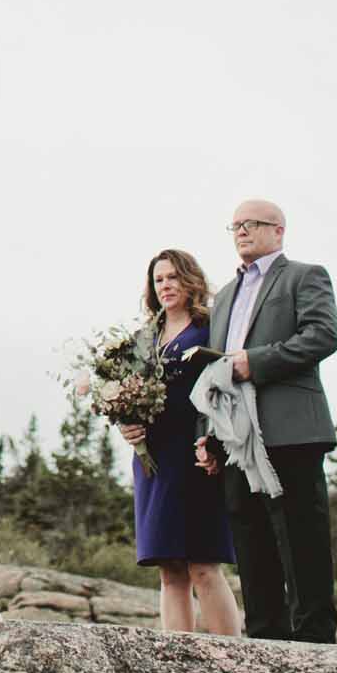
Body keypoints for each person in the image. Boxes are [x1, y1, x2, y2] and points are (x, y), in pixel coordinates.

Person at [194, 199, 337, 643]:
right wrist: (207, 436)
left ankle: (315, 640)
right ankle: (265, 640)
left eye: (251, 224)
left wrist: (253, 364)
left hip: (291, 428)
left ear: (278, 231)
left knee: (301, 535)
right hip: (236, 436)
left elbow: (322, 335)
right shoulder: (224, 296)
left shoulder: (304, 276)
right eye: (235, 226)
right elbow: (214, 371)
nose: (241, 232)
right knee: (250, 539)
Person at [118, 248, 241, 635]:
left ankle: (233, 657)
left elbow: (226, 393)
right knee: (169, 567)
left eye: (172, 277)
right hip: (153, 459)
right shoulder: (143, 338)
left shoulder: (210, 329)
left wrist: (216, 444)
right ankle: (176, 659)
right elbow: (122, 393)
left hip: (196, 453)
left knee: (203, 563)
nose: (165, 285)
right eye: (158, 280)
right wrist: (126, 423)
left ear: (190, 280)